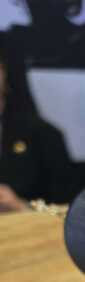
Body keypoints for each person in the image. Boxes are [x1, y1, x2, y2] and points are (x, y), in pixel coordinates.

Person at [0, 38, 75, 212]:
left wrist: (20, 206)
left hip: (23, 227)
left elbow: (64, 211)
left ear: (4, 72)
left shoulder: (44, 136)